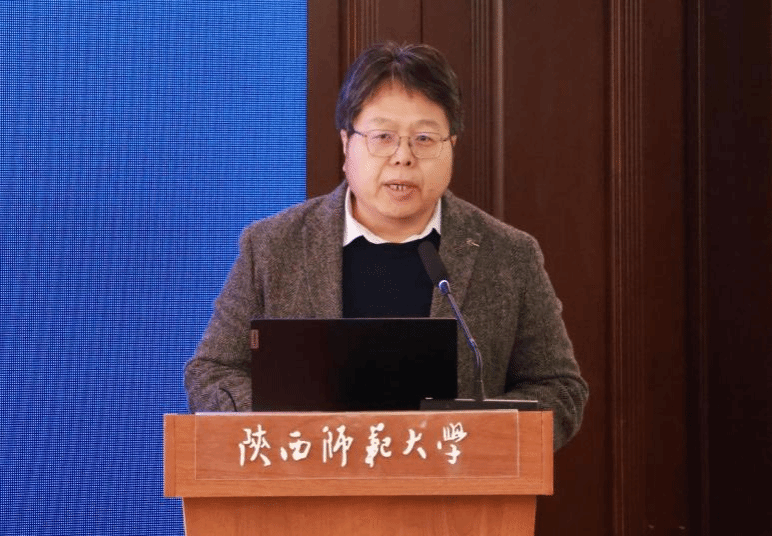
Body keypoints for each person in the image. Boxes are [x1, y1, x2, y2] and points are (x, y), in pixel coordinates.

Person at [184, 42, 588, 450]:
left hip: (455, 485)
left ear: (452, 145)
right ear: (346, 143)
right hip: (307, 480)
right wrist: (290, 432)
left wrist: (471, 438)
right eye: (383, 137)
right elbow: (213, 371)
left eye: (424, 138)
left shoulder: (509, 255)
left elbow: (559, 388)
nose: (403, 157)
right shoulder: (274, 247)